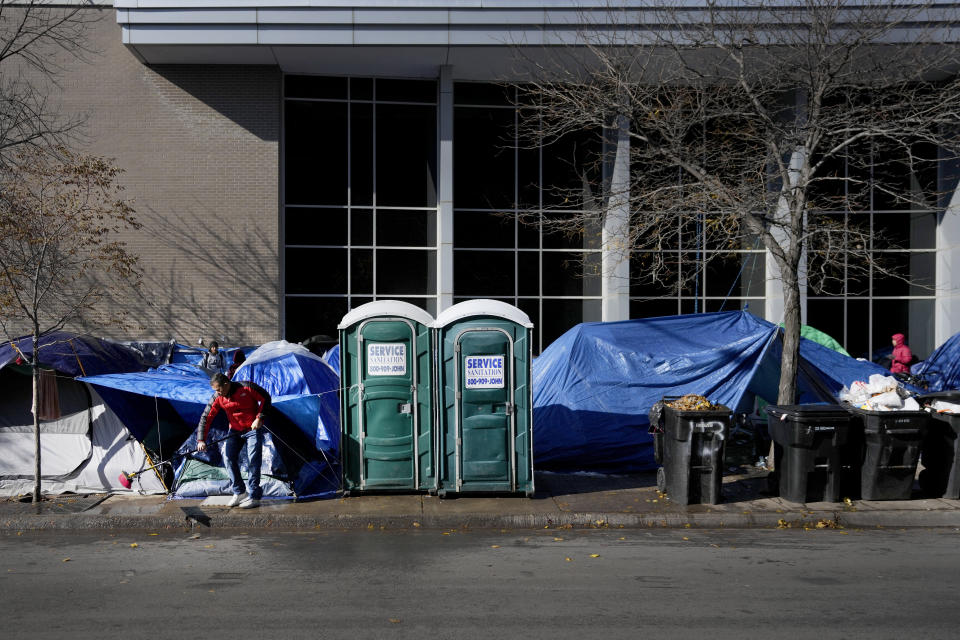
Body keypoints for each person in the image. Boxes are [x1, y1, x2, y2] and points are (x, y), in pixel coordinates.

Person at [196, 373, 271, 509]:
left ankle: (254, 496)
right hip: (235, 431)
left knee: (253, 460)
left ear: (226, 384)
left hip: (252, 429)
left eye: (219, 390)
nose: (217, 393)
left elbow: (266, 398)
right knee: (228, 458)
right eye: (215, 391)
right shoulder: (218, 397)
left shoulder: (246, 387)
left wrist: (260, 417)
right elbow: (206, 417)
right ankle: (239, 491)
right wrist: (201, 439)